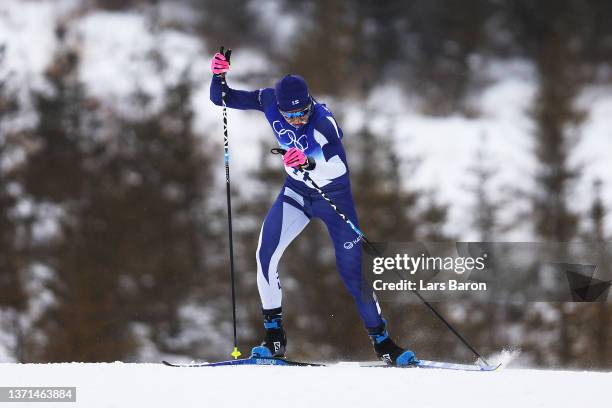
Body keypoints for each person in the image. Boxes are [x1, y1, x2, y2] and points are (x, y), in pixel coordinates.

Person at [209, 51, 417, 366]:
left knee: (352, 275)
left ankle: (384, 343)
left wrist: (308, 161)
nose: (297, 120)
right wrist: (218, 76)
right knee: (264, 256)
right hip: (296, 193)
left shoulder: (323, 122)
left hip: (335, 200)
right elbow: (222, 99)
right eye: (290, 116)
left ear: (310, 103)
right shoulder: (267, 101)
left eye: (302, 113)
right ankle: (274, 337)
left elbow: (338, 167)